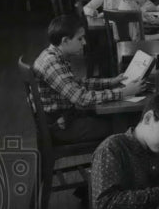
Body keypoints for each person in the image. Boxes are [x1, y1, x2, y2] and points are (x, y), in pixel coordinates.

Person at [32, 14, 145, 145]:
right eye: (80, 39)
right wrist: (124, 92)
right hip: (60, 127)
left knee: (116, 118)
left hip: (64, 118)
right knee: (119, 126)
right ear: (65, 41)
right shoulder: (52, 63)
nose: (84, 43)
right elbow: (81, 98)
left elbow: (77, 83)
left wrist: (111, 81)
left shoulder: (54, 55)